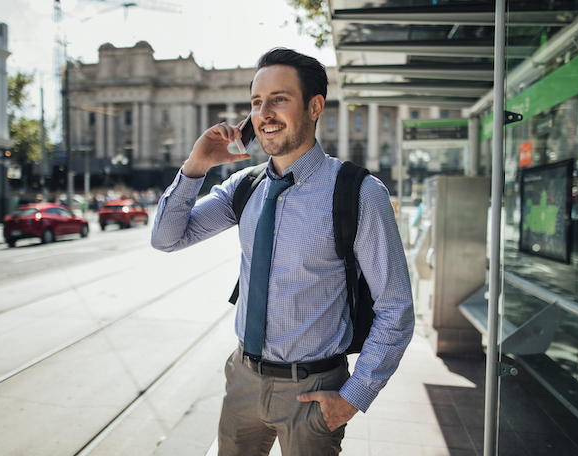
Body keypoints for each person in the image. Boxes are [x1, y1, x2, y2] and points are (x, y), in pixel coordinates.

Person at [151, 48, 414, 456]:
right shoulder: (244, 187)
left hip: (313, 391)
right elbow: (167, 238)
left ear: (314, 106)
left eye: (279, 99)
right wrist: (195, 166)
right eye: (257, 102)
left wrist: (353, 397)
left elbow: (396, 306)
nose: (265, 113)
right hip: (242, 380)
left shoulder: (359, 192)